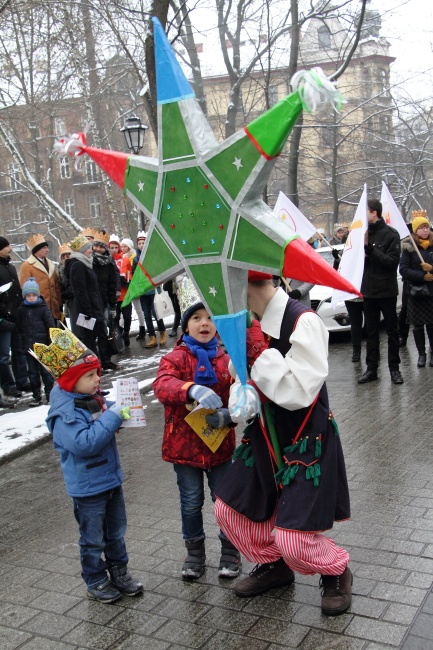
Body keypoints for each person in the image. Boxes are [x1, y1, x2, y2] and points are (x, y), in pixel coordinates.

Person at [214, 271, 352, 616]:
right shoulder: (247, 323)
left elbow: (297, 393)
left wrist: (258, 351)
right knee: (227, 510)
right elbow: (241, 386)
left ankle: (336, 570)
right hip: (264, 433)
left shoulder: (303, 320)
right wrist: (237, 399)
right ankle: (274, 565)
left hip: (307, 440)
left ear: (241, 284)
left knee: (292, 537)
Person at [41, 328, 143, 603]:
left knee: (116, 531)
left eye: (97, 373)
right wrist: (112, 418)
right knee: (93, 538)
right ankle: (96, 579)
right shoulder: (64, 413)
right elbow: (84, 443)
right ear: (71, 381)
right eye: (90, 375)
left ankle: (119, 572)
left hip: (109, 479)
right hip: (87, 488)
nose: (98, 379)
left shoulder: (91, 398)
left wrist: (121, 412)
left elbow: (105, 418)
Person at [153, 301, 241, 581]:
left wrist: (231, 414)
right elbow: (162, 385)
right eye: (196, 318)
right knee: (190, 502)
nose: (204, 324)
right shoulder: (175, 358)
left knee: (225, 502)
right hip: (184, 449)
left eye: (210, 318)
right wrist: (190, 388)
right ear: (185, 325)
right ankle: (195, 554)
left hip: (220, 448)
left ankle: (230, 551)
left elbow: (240, 396)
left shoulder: (226, 360)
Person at [358, 198, 403, 385]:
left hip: (386, 290)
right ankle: (371, 369)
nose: (363, 215)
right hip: (369, 291)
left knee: (392, 331)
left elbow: (392, 263)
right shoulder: (361, 233)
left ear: (374, 212)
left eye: (365, 211)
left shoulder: (391, 234)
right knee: (371, 332)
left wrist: (371, 252)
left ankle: (394, 368)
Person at [66, 234, 112, 370]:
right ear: (81, 250)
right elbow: (80, 290)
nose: (91, 250)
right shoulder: (77, 265)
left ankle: (97, 364)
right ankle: (92, 366)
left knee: (96, 336)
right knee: (89, 339)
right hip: (86, 310)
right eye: (88, 248)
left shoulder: (86, 263)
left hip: (93, 306)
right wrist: (88, 310)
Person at [399, 212, 433, 367]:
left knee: (432, 325)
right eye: (422, 228)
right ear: (415, 230)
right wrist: (422, 276)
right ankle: (421, 354)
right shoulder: (409, 248)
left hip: (431, 292)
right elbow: (403, 270)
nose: (425, 230)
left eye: (427, 227)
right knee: (418, 326)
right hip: (416, 292)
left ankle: (432, 352)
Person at [17, 278, 55, 406]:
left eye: (33, 295)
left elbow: (50, 325)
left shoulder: (43, 308)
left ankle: (50, 394)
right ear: (25, 296)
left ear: (38, 295)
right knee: (32, 373)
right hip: (29, 347)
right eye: (28, 295)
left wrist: (50, 342)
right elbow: (20, 327)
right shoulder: (21, 310)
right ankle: (36, 395)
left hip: (43, 345)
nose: (31, 298)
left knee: (46, 372)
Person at [0, 237, 31, 398]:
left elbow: (16, 292)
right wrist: (5, 313)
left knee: (19, 350)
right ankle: (8, 385)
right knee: (4, 355)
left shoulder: (11, 267)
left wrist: (20, 310)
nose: (10, 248)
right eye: (7, 246)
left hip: (16, 315)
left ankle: (22, 381)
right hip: (3, 319)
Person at [92, 231, 119, 370]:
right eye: (96, 246)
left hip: (104, 301)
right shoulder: (88, 261)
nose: (97, 249)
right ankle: (93, 362)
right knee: (90, 333)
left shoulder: (109, 263)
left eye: (101, 247)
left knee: (104, 331)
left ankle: (106, 359)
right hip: (91, 302)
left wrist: (113, 304)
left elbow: (112, 284)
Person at [19, 234, 62, 321]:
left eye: (47, 247)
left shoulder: (50, 264)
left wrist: (59, 304)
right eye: (44, 248)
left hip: (54, 310)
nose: (47, 250)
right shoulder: (27, 266)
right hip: (38, 310)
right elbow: (24, 288)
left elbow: (57, 286)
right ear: (37, 250)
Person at [116, 238, 135, 348]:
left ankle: (126, 333)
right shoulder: (110, 260)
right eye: (112, 247)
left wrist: (127, 280)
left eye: (116, 247)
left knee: (127, 317)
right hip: (115, 296)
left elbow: (130, 272)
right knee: (116, 318)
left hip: (126, 294)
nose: (116, 249)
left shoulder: (126, 260)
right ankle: (119, 334)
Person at [133, 232, 147, 341]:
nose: (141, 245)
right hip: (138, 287)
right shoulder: (135, 258)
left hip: (150, 287)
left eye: (143, 242)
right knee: (142, 310)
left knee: (154, 311)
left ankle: (160, 333)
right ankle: (146, 332)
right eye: (139, 243)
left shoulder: (151, 255)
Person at [57, 243, 73, 322]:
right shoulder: (59, 269)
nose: (66, 259)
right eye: (63, 257)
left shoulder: (74, 267)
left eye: (68, 255)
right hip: (66, 301)